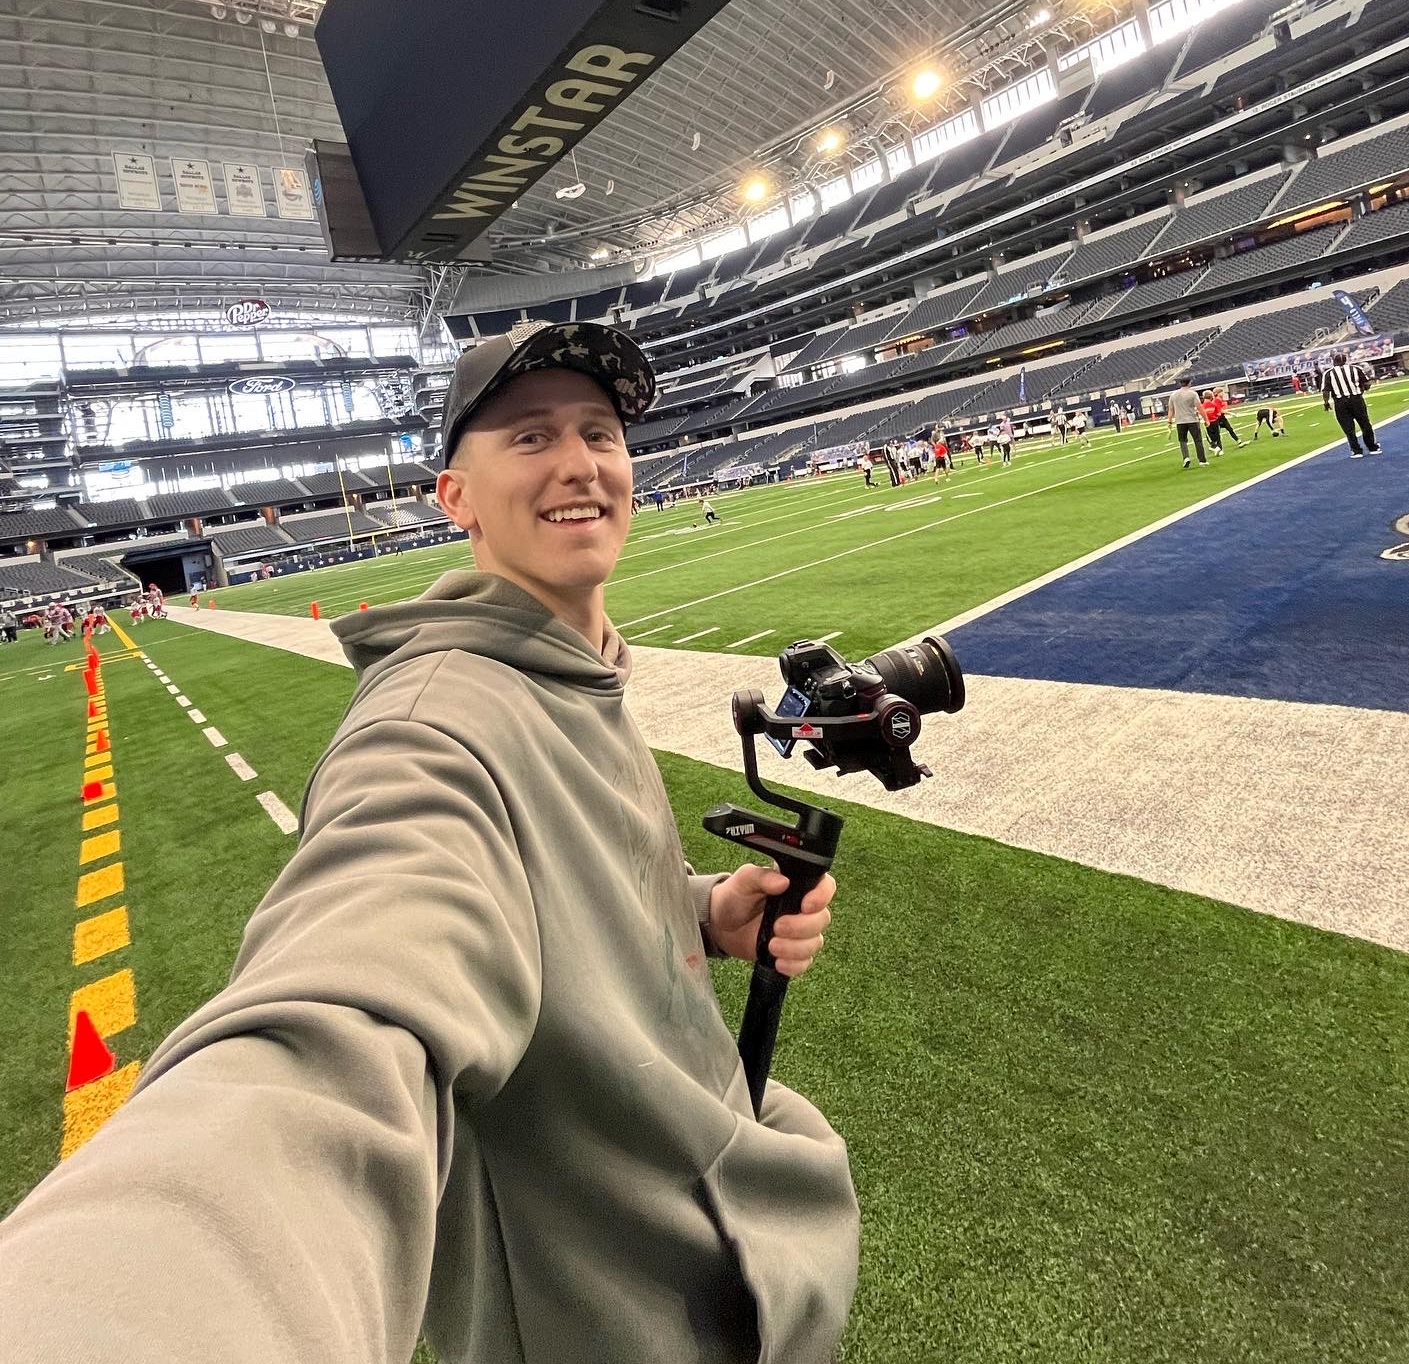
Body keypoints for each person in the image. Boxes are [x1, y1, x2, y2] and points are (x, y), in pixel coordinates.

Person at [0, 320, 856, 1363]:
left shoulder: (574, 669)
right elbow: (347, 1009)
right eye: (530, 438)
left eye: (601, 432)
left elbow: (570, 888)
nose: (581, 462)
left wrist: (706, 909)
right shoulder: (430, 728)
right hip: (604, 1314)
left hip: (696, 1244)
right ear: (454, 497)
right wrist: (137, 1293)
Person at [1321, 354, 1381, 457]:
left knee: (1348, 428)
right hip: (1356, 399)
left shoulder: (1329, 373)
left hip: (1340, 402)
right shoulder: (1355, 369)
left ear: (1334, 361)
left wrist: (1326, 403)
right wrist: (1362, 390)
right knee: (1365, 424)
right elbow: (1367, 384)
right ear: (1345, 360)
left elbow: (1326, 391)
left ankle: (1356, 450)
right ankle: (1372, 447)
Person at [1167, 377, 1210, 469]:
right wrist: (1206, 419)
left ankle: (1186, 457)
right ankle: (1202, 460)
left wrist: (1169, 421)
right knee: (1198, 440)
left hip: (1180, 421)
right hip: (1192, 420)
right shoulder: (1193, 394)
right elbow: (1199, 407)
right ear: (1189, 383)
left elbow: (1171, 410)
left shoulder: (1173, 395)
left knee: (1182, 441)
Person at [1200, 388, 1246, 454]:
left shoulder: (1218, 400)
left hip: (1218, 418)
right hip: (1218, 418)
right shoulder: (1216, 400)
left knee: (1227, 430)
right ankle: (1217, 447)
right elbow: (1219, 411)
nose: (1223, 393)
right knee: (1218, 434)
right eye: (1222, 392)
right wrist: (1230, 413)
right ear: (1218, 393)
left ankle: (1237, 441)